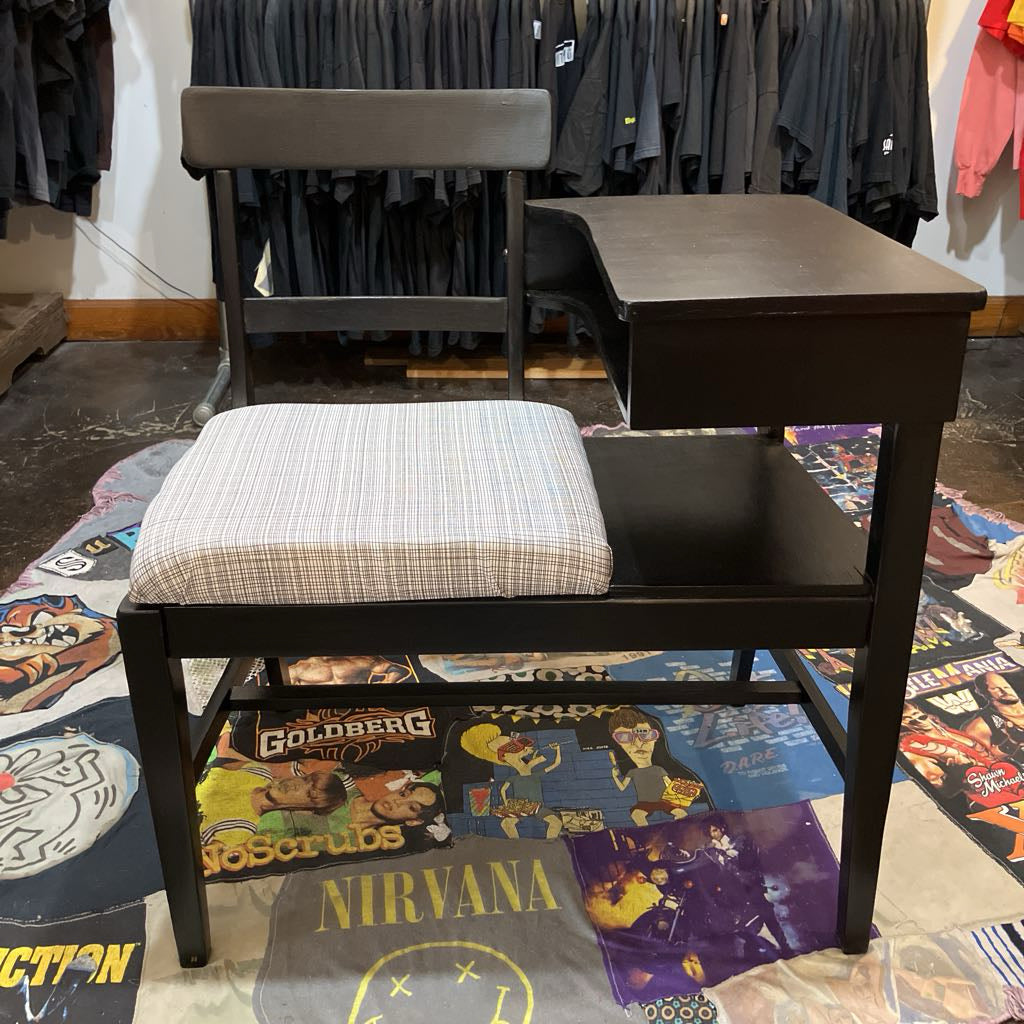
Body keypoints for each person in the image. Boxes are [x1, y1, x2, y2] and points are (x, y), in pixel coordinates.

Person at [703, 818, 794, 957]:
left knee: (767, 916)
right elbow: (716, 872)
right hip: (734, 892)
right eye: (709, 832)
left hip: (751, 885)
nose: (713, 835)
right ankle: (760, 953)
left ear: (722, 828)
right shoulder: (710, 851)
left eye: (714, 830)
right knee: (745, 924)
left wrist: (731, 857)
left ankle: (786, 948)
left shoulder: (740, 840)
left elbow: (751, 862)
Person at [459, 722, 564, 839]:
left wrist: (558, 749)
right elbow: (503, 790)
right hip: (520, 807)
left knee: (556, 823)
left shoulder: (535, 774)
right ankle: (516, 845)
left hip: (537, 807)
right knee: (506, 823)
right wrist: (506, 803)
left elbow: (556, 763)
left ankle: (549, 846)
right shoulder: (514, 777)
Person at [608, 708, 699, 826]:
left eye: (645, 734)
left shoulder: (660, 769)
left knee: (682, 814)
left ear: (656, 739)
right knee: (636, 815)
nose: (638, 743)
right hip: (645, 803)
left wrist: (684, 792)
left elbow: (669, 784)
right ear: (618, 744)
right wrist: (615, 777)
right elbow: (622, 788)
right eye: (625, 737)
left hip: (664, 801)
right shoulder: (633, 772)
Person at [964, 672, 1024, 761]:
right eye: (995, 689)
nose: (1005, 691)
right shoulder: (979, 726)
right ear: (984, 693)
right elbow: (983, 761)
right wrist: (1012, 742)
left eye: (1006, 687)